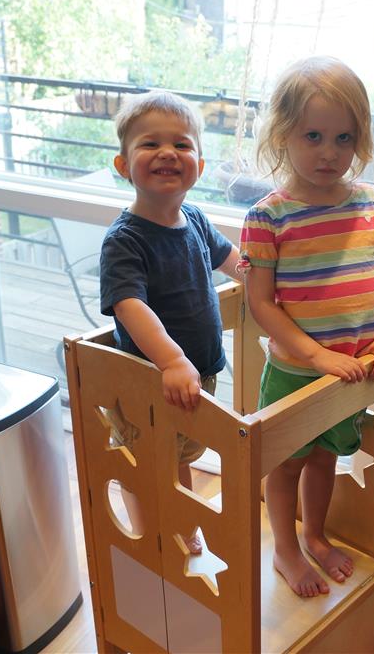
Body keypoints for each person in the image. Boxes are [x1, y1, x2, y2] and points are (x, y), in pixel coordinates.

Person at [239, 56, 374, 597]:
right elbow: (261, 303)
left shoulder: (373, 202)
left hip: (353, 372)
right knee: (287, 463)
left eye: (344, 137)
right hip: (296, 371)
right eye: (313, 136)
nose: (329, 152)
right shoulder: (269, 216)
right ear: (283, 135)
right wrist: (315, 356)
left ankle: (314, 534)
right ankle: (285, 547)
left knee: (325, 458)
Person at [99, 90, 240, 553]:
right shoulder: (125, 240)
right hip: (152, 381)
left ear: (199, 166)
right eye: (150, 144)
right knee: (143, 463)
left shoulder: (194, 218)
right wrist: (173, 360)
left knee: (179, 454)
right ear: (123, 165)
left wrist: (270, 280)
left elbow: (234, 261)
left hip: (197, 375)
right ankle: (148, 538)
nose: (167, 153)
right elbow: (129, 306)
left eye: (181, 144)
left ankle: (180, 525)